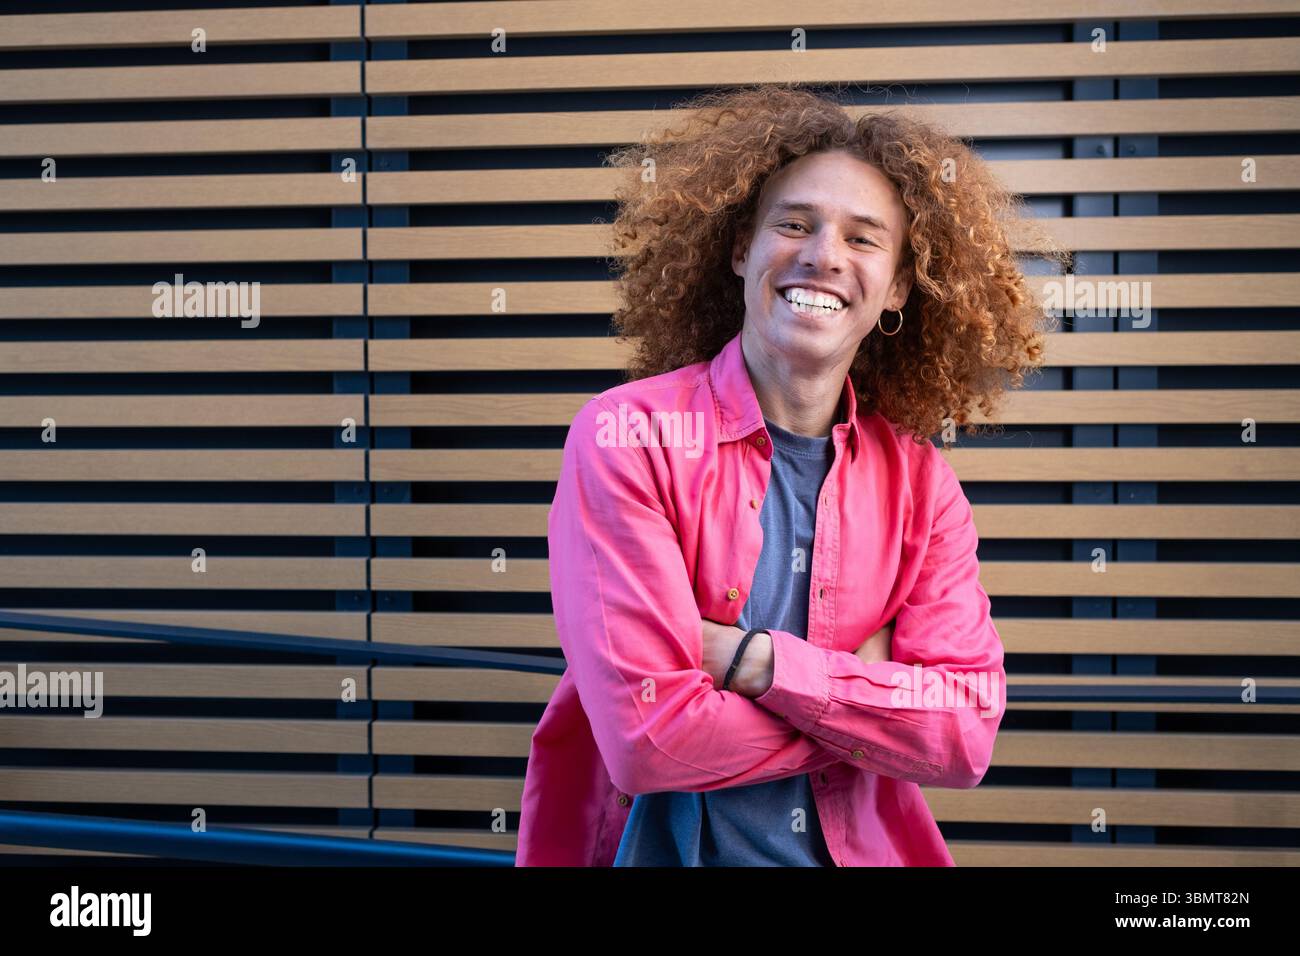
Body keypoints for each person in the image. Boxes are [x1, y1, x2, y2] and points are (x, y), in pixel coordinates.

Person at [516, 84, 1065, 867]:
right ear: (743, 248)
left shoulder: (921, 485)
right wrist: (869, 702)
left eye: (864, 238)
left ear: (899, 288)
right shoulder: (628, 436)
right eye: (795, 224)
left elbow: (964, 736)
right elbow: (648, 741)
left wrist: (753, 662)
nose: (823, 255)